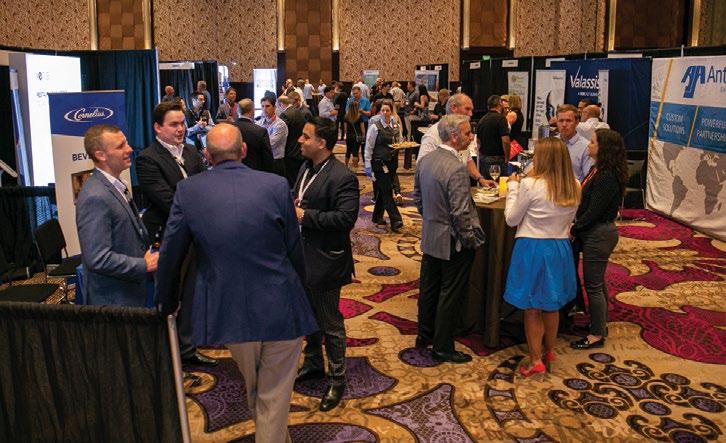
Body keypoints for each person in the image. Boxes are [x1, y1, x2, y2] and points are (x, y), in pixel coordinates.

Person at [155, 123, 317, 443]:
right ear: (243, 151)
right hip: (282, 304)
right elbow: (294, 248)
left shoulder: (188, 191)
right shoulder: (276, 185)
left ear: (206, 155)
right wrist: (303, 295)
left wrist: (166, 303)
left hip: (228, 310)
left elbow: (171, 254)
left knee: (260, 389)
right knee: (271, 392)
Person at [135, 101, 216, 368]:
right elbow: (167, 201)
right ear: (158, 128)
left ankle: (187, 347)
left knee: (192, 293)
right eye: (173, 124)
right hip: (166, 237)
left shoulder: (191, 151)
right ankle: (164, 353)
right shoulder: (147, 158)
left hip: (194, 235)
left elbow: (205, 186)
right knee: (169, 295)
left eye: (182, 123)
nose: (180, 129)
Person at [293, 117, 360, 412]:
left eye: (305, 136)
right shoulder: (305, 167)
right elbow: (298, 198)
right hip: (302, 256)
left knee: (329, 322)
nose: (300, 140)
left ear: (322, 143)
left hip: (327, 260)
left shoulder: (343, 177)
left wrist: (305, 216)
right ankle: (312, 363)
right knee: (308, 315)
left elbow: (345, 219)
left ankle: (337, 378)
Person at [503, 137, 581, 377]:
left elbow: (511, 219)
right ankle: (549, 350)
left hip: (532, 248)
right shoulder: (574, 185)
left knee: (532, 307)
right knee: (551, 304)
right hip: (559, 247)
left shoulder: (531, 185)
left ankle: (536, 359)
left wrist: (513, 188)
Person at [414, 114, 485, 363]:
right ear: (454, 137)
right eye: (467, 133)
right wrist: (469, 240)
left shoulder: (426, 160)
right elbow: (460, 213)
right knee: (450, 293)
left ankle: (425, 334)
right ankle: (443, 346)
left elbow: (418, 199)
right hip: (453, 241)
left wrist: (432, 219)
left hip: (431, 234)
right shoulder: (456, 168)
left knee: (429, 287)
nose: (471, 137)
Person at [76, 125, 158, 306]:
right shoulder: (95, 196)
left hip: (129, 292)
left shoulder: (114, 185)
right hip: (114, 301)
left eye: (126, 143)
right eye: (120, 146)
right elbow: (98, 258)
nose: (129, 149)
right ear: (101, 155)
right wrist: (144, 265)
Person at [570, 129, 627, 350]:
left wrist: (575, 228)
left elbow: (594, 211)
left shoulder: (605, 176)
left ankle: (596, 335)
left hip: (599, 234)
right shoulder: (598, 170)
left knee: (593, 285)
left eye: (593, 142)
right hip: (596, 232)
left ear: (604, 148)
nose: (588, 145)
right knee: (597, 282)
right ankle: (599, 324)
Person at [417, 93, 496, 188]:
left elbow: (467, 159)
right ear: (454, 108)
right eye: (467, 109)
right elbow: (422, 166)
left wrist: (480, 179)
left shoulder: (461, 131)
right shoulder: (434, 133)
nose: (471, 114)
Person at [364, 100, 403, 232]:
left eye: (388, 110)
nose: (385, 112)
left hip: (392, 163)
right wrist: (367, 164)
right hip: (378, 163)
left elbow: (400, 141)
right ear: (380, 112)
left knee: (382, 190)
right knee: (387, 190)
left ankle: (377, 217)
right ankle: (396, 219)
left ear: (391, 111)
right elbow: (368, 147)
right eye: (383, 110)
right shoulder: (374, 127)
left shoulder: (395, 125)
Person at [477, 95, 511, 180]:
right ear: (500, 104)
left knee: (487, 185)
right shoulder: (501, 119)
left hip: (484, 158)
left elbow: (478, 141)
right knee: (500, 184)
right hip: (497, 160)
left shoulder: (482, 119)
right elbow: (505, 140)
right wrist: (507, 157)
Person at [236, 98, 274, 173]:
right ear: (252, 111)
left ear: (238, 111)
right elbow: (268, 160)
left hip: (233, 173)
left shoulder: (227, 129)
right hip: (255, 173)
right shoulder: (260, 131)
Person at [556, 104, 593, 182]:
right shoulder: (551, 143)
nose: (564, 125)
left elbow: (588, 179)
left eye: (568, 121)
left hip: (574, 188)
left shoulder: (586, 147)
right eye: (561, 121)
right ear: (557, 122)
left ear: (577, 123)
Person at [257, 95, 288, 178]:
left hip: (276, 162)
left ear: (274, 108)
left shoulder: (280, 124)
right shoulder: (259, 123)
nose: (264, 109)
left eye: (267, 106)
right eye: (262, 106)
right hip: (263, 161)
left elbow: (270, 144)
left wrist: (257, 142)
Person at [279, 94, 307, 186]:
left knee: (291, 180)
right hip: (298, 149)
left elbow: (282, 134)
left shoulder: (285, 114)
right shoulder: (297, 111)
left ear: (281, 104)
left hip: (290, 152)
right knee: (298, 178)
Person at [344, 100, 365, 169]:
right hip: (357, 137)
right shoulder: (359, 117)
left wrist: (347, 134)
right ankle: (355, 167)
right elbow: (362, 128)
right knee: (355, 152)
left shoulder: (346, 116)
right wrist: (363, 135)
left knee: (348, 151)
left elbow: (345, 128)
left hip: (349, 136)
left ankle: (346, 165)